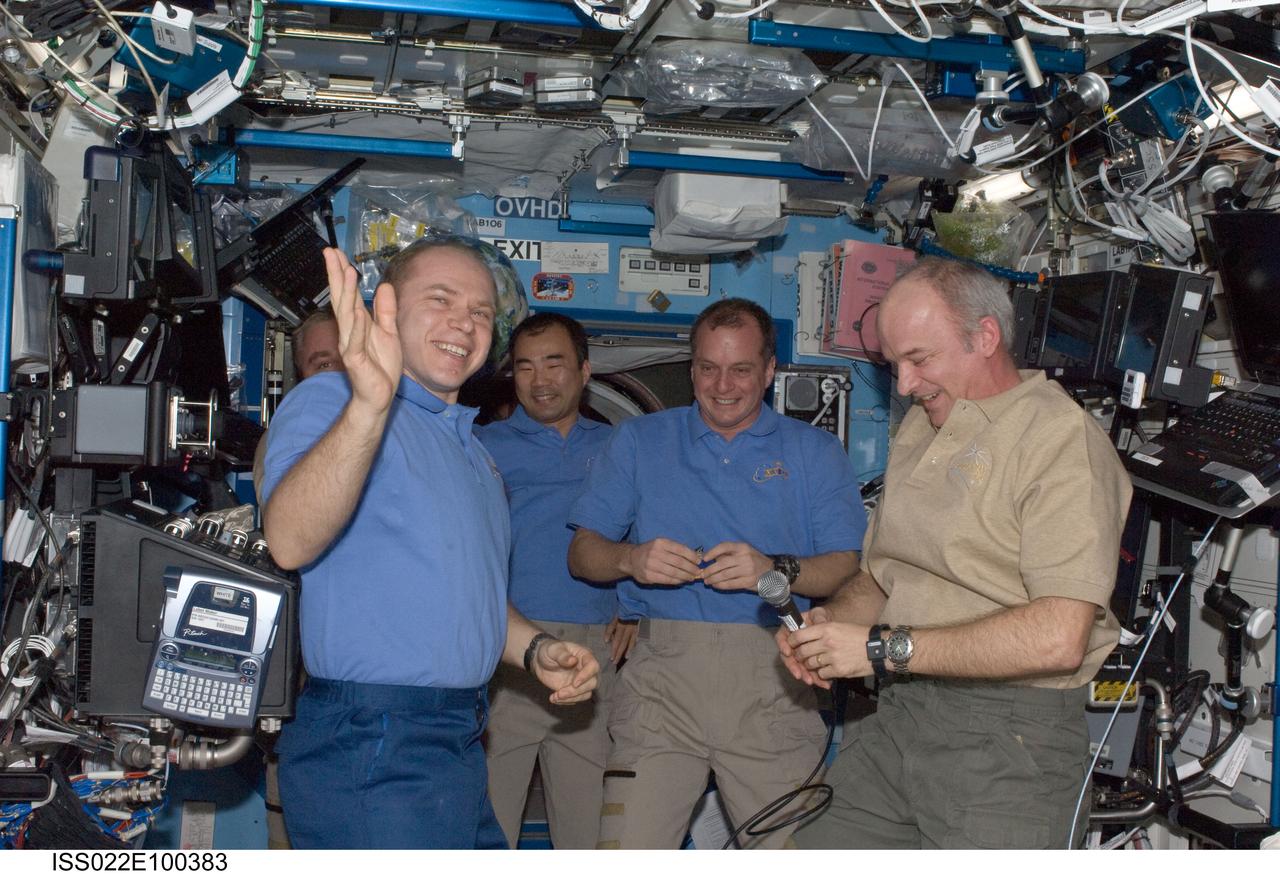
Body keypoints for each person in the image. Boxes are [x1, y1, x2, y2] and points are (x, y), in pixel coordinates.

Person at [777, 257, 1131, 849]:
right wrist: (831, 626)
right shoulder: (922, 424)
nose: (906, 385)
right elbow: (884, 573)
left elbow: (1058, 636)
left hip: (1008, 742)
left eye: (919, 360)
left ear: (985, 337)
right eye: (893, 366)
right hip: (901, 717)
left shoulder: (1060, 440)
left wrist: (879, 649)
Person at [260, 240, 600, 849]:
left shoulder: (473, 450)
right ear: (384, 307)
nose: (463, 323)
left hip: (462, 735)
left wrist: (536, 650)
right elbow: (287, 540)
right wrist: (369, 402)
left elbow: (471, 597)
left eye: (479, 311)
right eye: (440, 300)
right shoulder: (332, 402)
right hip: (372, 734)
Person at [567, 298, 866, 849]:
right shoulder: (639, 441)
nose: (722, 385)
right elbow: (582, 553)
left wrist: (772, 569)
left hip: (776, 680)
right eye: (707, 368)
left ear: (770, 371)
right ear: (691, 369)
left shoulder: (814, 452)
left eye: (741, 369)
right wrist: (630, 559)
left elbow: (843, 570)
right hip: (662, 686)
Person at [477, 312, 636, 849]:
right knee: (489, 828)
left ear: (585, 370)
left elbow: (650, 532)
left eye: (554, 363)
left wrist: (635, 608)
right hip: (509, 654)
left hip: (593, 655)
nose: (540, 380)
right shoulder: (483, 448)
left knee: (585, 832)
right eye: (524, 367)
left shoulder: (621, 446)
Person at [252, 306, 344, 501]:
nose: (341, 373)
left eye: (349, 357)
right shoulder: (287, 436)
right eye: (324, 365)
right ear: (301, 376)